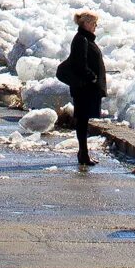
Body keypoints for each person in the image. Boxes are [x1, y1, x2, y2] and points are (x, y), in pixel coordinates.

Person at [56, 12, 106, 168]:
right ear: (86, 23)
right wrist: (92, 77)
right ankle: (83, 153)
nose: (95, 27)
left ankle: (83, 153)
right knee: (82, 120)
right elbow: (80, 64)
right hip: (84, 88)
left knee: (83, 120)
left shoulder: (84, 39)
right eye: (94, 24)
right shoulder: (81, 40)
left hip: (85, 88)